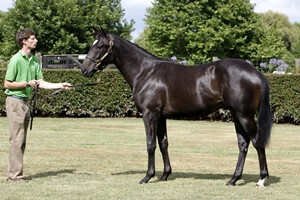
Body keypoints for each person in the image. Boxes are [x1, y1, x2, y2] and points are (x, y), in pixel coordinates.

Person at [4, 28, 72, 182]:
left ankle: (16, 175)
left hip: (25, 103)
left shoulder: (34, 60)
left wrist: (61, 85)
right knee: (16, 140)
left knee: (21, 140)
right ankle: (14, 176)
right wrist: (27, 83)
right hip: (15, 101)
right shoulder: (16, 59)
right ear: (24, 41)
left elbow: (41, 83)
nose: (36, 41)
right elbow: (7, 84)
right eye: (33, 38)